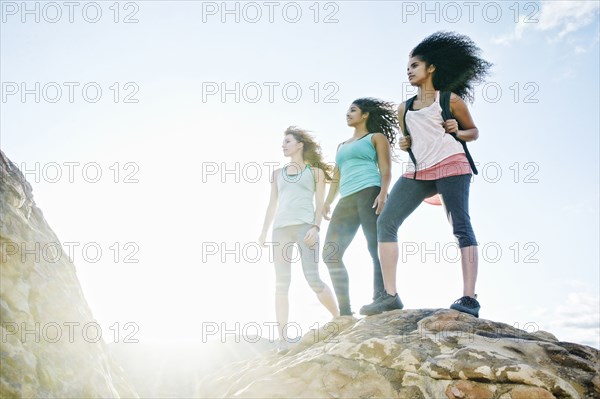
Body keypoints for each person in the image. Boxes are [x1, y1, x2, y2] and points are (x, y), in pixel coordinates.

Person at [362, 31, 492, 318]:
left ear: (431, 68)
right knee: (386, 222)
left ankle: (469, 298)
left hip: (452, 164)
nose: (409, 72)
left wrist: (458, 131)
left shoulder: (451, 100)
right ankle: (390, 296)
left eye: (414, 66)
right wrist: (405, 143)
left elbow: (474, 132)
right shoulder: (404, 108)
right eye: (407, 68)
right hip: (418, 171)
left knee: (460, 226)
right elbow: (411, 138)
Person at [259, 127, 339, 353]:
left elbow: (320, 204)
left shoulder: (316, 173)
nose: (283, 145)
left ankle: (340, 319)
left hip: (306, 228)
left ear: (299, 144)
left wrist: (316, 227)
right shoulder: (277, 174)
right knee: (281, 284)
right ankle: (282, 339)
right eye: (282, 142)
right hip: (280, 231)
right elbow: (272, 204)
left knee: (313, 277)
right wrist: (264, 231)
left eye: (287, 141)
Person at [322, 98, 398, 316]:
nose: (347, 113)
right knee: (331, 253)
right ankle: (345, 312)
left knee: (375, 248)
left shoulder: (376, 138)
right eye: (348, 110)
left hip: (370, 192)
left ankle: (381, 298)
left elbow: (385, 170)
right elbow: (336, 178)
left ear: (365, 115)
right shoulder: (342, 146)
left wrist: (383, 193)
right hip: (346, 199)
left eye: (352, 110)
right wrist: (328, 201)